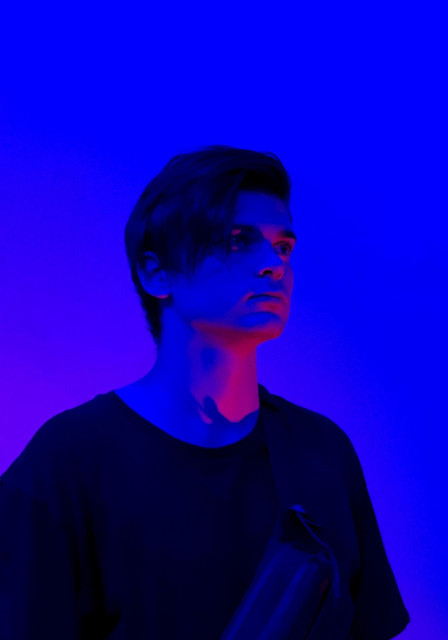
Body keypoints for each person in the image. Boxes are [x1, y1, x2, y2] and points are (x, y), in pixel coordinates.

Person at [0, 145, 410, 639]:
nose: (274, 265)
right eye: (237, 241)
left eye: (283, 247)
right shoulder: (66, 463)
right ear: (156, 272)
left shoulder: (322, 452)